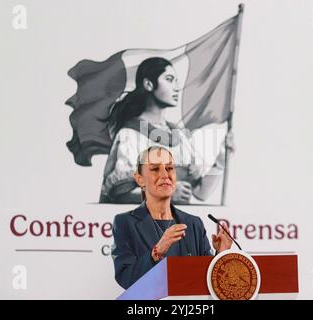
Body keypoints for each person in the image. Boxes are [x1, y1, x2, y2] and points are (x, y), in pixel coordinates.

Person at [99, 57, 234, 204]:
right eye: (169, 79)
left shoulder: (179, 136)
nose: (176, 87)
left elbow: (201, 193)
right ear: (148, 84)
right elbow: (120, 195)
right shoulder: (130, 134)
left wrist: (222, 158)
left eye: (176, 81)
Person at [111, 146, 233, 289]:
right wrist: (156, 252)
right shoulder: (125, 223)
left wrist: (221, 254)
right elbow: (126, 278)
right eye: (155, 169)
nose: (165, 175)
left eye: (169, 168)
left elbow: (208, 281)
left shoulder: (194, 224)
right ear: (140, 179)